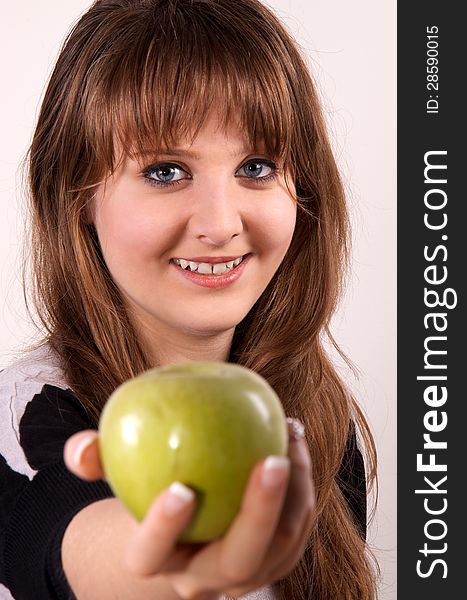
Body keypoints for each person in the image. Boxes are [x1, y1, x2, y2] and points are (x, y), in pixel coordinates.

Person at [0, 0, 379, 598]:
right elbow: (68, 540)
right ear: (76, 197)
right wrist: (162, 570)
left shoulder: (315, 418)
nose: (221, 223)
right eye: (165, 171)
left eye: (256, 166)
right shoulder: (26, 416)